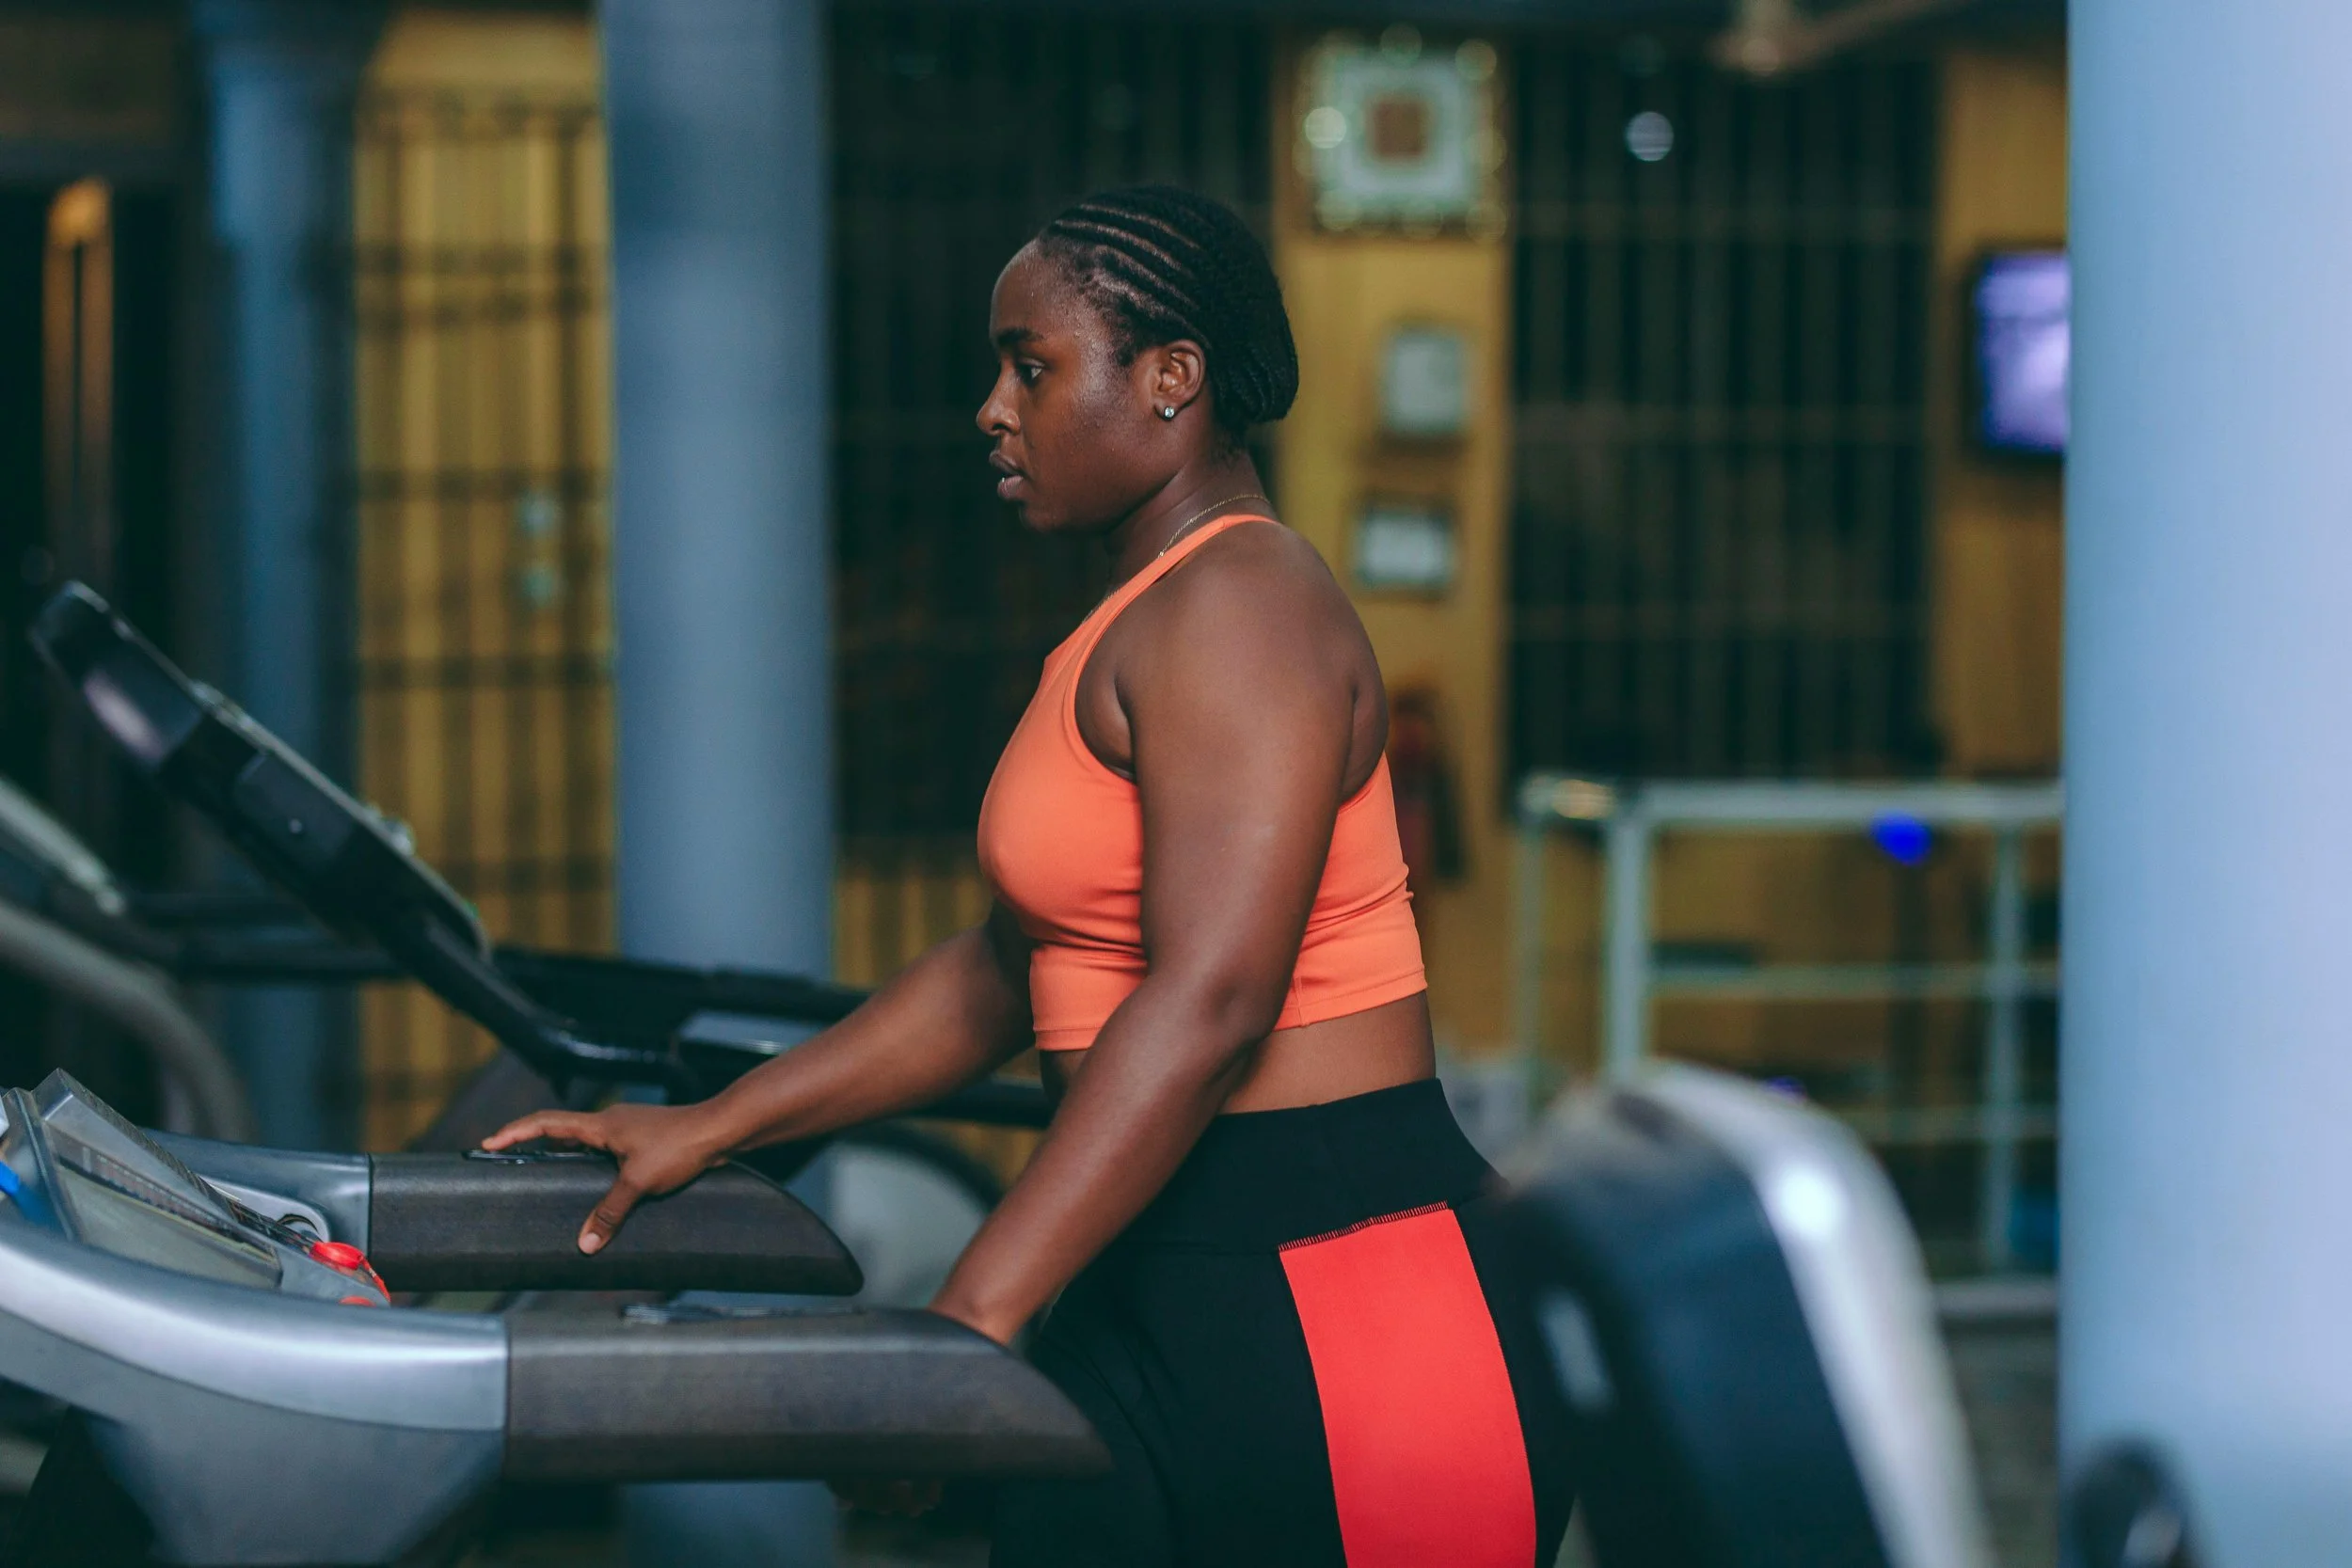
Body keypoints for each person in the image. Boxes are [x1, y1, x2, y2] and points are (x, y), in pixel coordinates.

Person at [484, 185, 1574, 1567]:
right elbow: (1006, 969)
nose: (993, 409)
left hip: (1343, 1286)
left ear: (1171, 380)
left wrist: (971, 1319)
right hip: (1150, 1264)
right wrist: (715, 1122)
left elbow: (1218, 993)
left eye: (1034, 366)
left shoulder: (1241, 607)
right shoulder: (1136, 619)